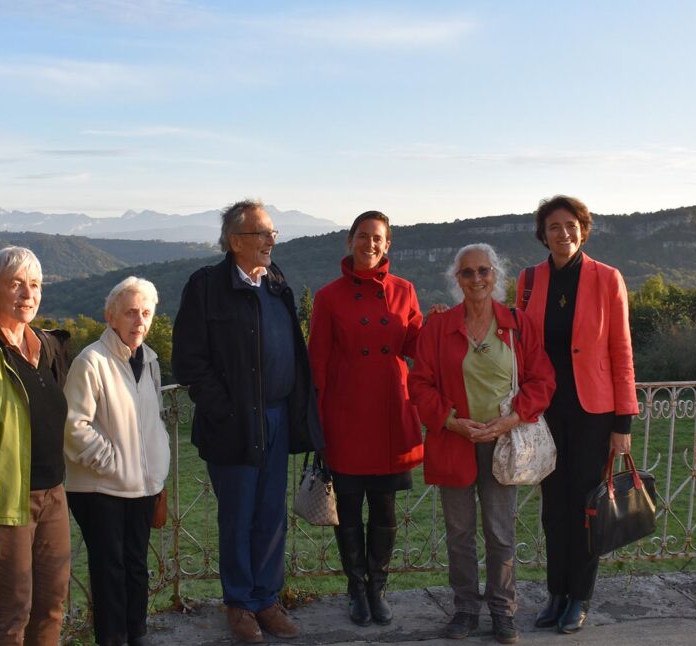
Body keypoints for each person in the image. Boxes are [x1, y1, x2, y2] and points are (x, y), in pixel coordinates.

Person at [172, 199, 317, 643]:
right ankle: (238, 604)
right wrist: (225, 409)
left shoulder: (276, 282)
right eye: (262, 233)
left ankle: (266, 600)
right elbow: (189, 361)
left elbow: (290, 346)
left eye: (273, 232)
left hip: (275, 417)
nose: (272, 240)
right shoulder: (207, 287)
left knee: (271, 514)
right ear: (236, 241)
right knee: (238, 514)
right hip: (233, 423)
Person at [408, 243, 554, 645]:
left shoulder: (518, 324)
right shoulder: (438, 326)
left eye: (483, 271)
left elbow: (542, 381)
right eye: (468, 272)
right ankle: (465, 609)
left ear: (496, 275)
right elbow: (419, 383)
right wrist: (452, 422)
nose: (477, 279)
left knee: (500, 531)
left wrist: (512, 418)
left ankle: (503, 612)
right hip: (454, 441)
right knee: (459, 533)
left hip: (502, 442)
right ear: (457, 279)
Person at [515, 195, 637, 634]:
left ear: (583, 230)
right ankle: (556, 593)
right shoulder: (529, 281)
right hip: (545, 413)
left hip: (593, 413)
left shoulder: (607, 278)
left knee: (586, 507)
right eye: (554, 227)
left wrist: (623, 422)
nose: (563, 234)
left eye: (571, 226)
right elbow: (521, 345)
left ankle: (580, 597)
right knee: (553, 509)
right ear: (542, 234)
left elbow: (621, 351)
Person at [307, 210, 423, 626]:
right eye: (362, 236)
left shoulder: (405, 291)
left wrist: (440, 324)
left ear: (387, 244)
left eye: (377, 238)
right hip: (346, 416)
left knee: (386, 510)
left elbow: (416, 344)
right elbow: (316, 366)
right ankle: (356, 588)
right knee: (350, 509)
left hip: (391, 412)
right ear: (350, 240)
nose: (369, 244)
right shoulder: (328, 296)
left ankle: (378, 586)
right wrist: (316, 427)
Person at [0, 246, 71, 645]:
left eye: (35, 284)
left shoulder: (48, 345)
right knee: (12, 612)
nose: (28, 294)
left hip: (54, 494)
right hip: (7, 502)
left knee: (52, 604)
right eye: (16, 284)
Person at [64, 276, 171, 646]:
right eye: (130, 312)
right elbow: (73, 425)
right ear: (111, 317)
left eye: (145, 313)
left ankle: (136, 633)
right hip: (100, 488)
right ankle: (112, 638)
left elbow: (152, 420)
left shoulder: (151, 361)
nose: (139, 321)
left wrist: (156, 467)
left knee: (136, 565)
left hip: (141, 486)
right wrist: (111, 462)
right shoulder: (91, 361)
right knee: (110, 569)